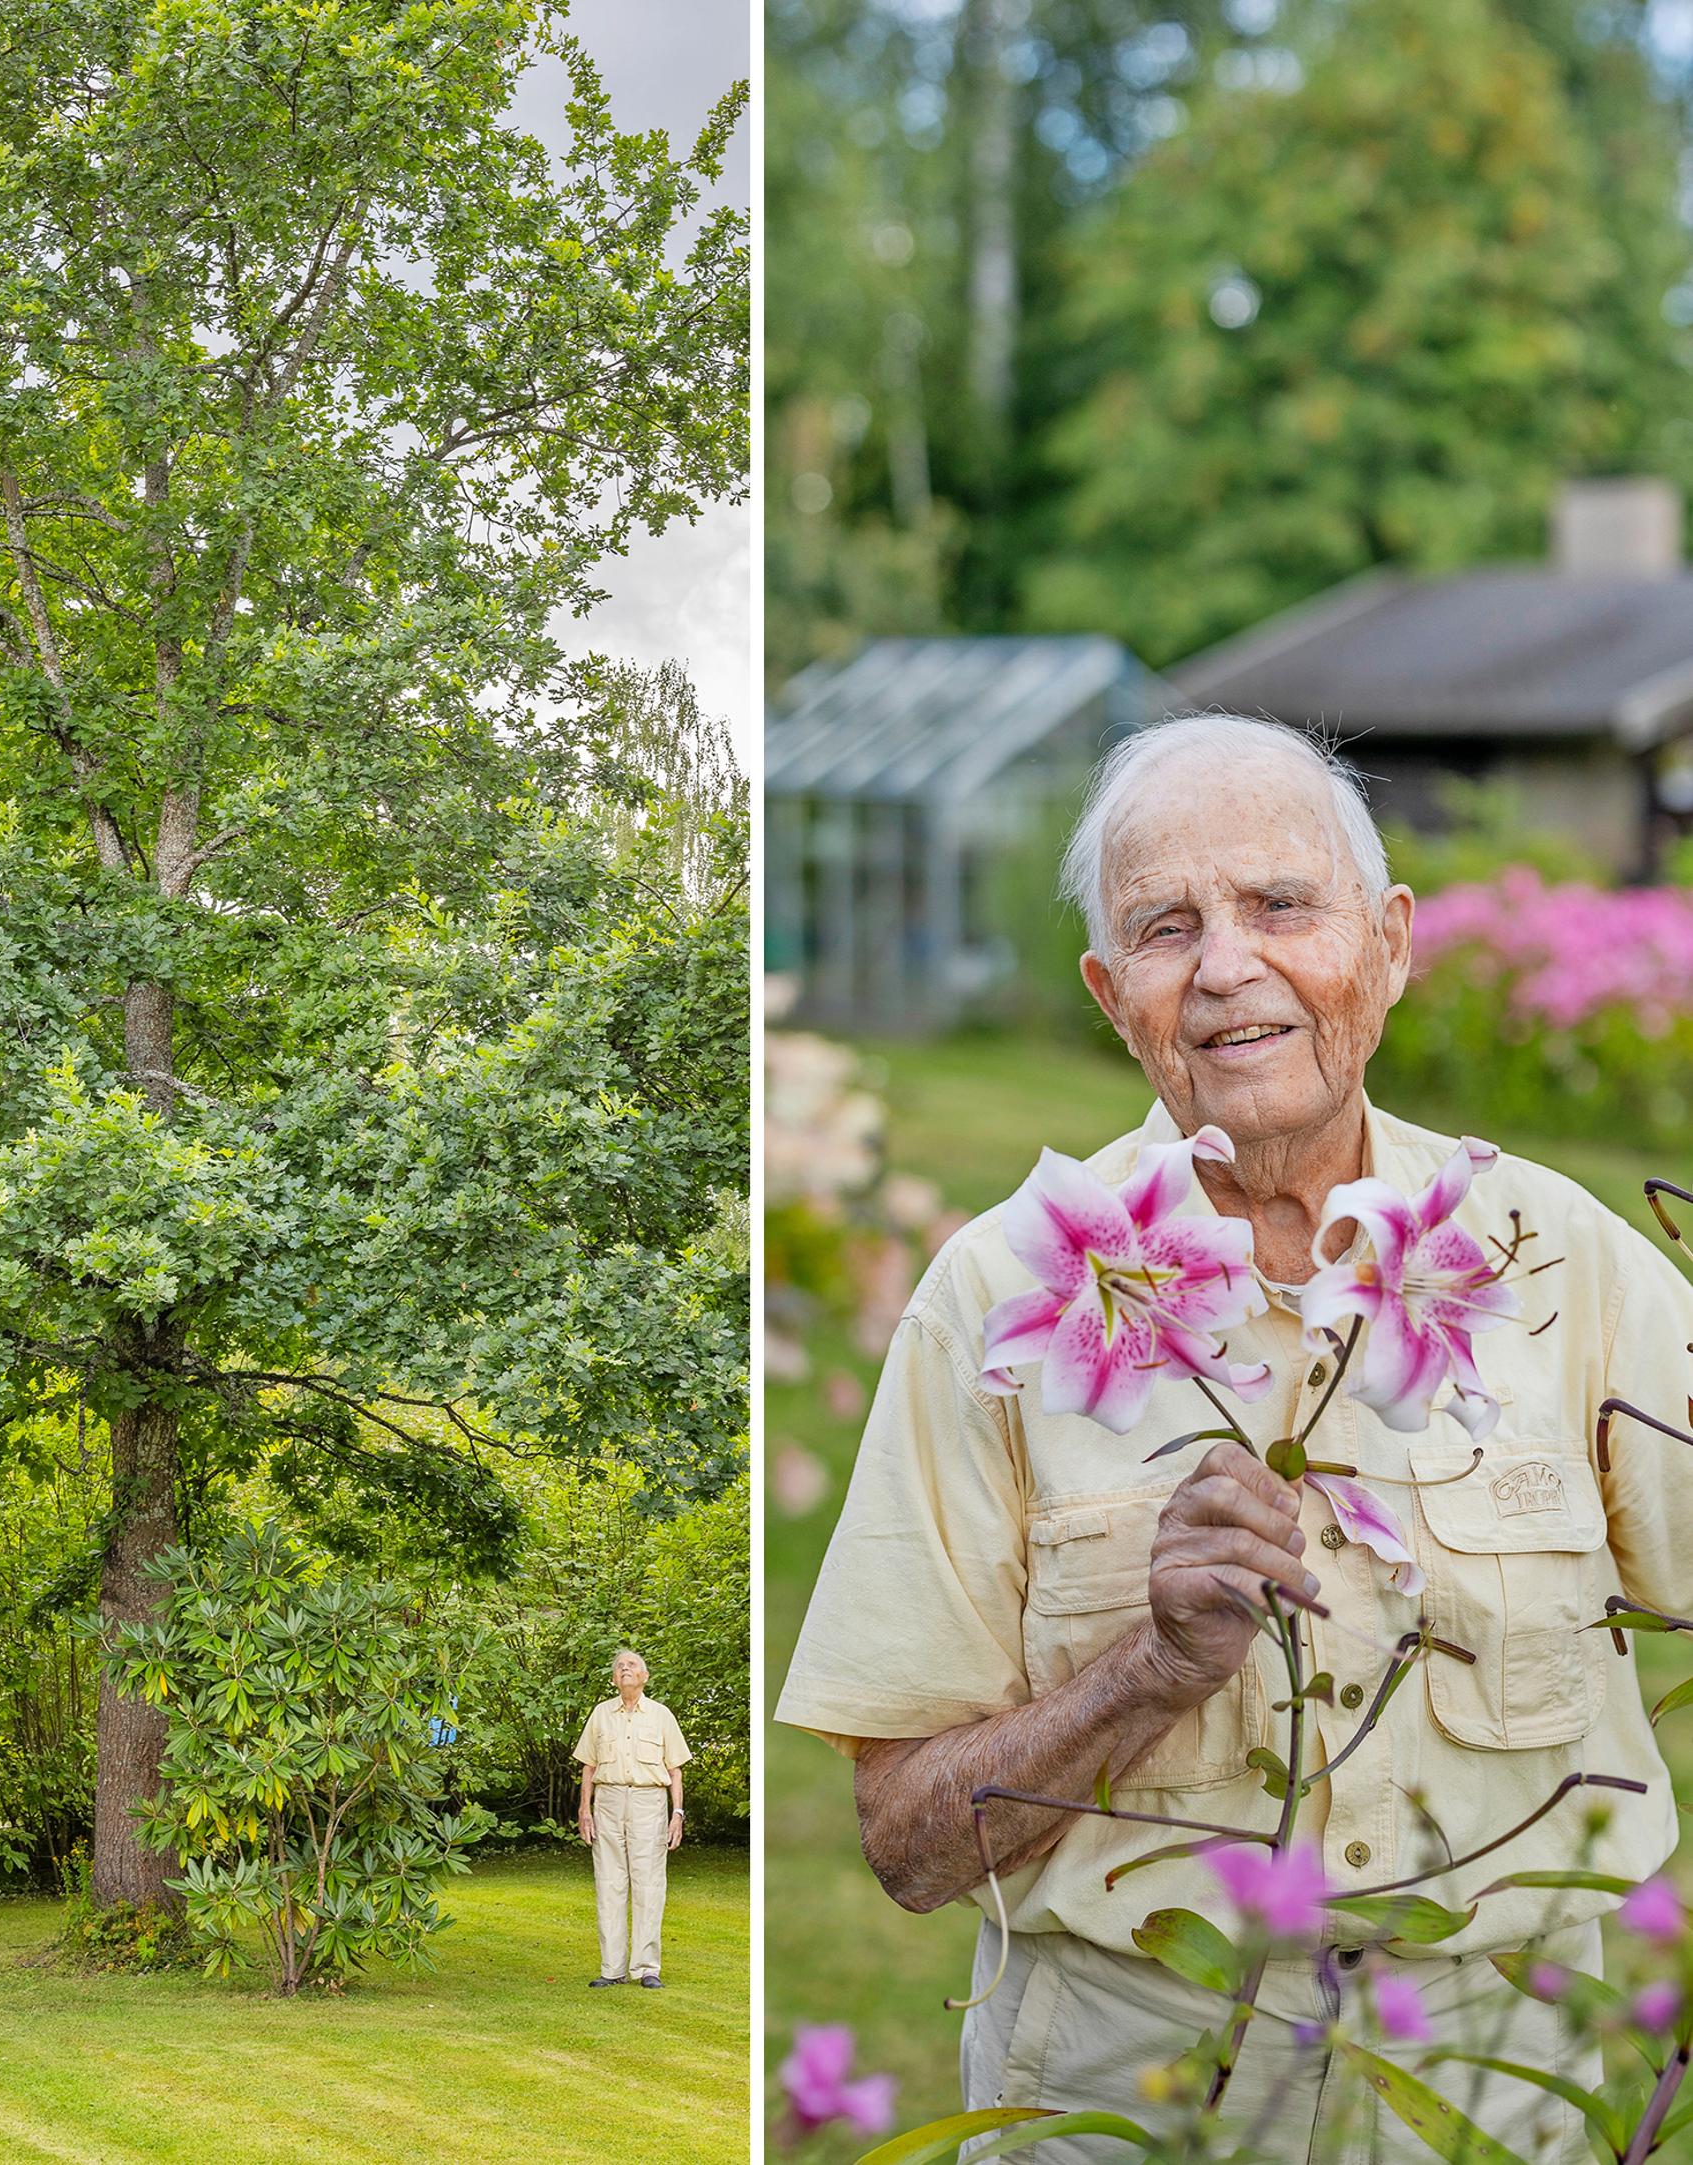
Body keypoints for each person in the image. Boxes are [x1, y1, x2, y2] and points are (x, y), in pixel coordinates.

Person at [776, 715, 1693, 2162]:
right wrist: (1147, 1672)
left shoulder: (1547, 1257)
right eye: (1165, 927)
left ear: (1388, 945)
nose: (1224, 966)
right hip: (1140, 2111)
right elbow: (904, 1842)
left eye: (1280, 905)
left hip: (1501, 2104)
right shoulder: (1003, 1293)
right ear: (1110, 993)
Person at [575, 1649, 690, 1990]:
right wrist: (585, 1809)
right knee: (609, 1884)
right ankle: (612, 1969)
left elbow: (675, 1770)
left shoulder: (661, 1715)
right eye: (619, 1667)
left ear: (645, 1677)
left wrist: (677, 1814)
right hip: (608, 1802)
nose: (625, 1670)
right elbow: (588, 1767)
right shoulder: (600, 1715)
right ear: (614, 1680)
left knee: (648, 1885)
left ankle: (646, 1968)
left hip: (648, 1802)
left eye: (632, 1666)